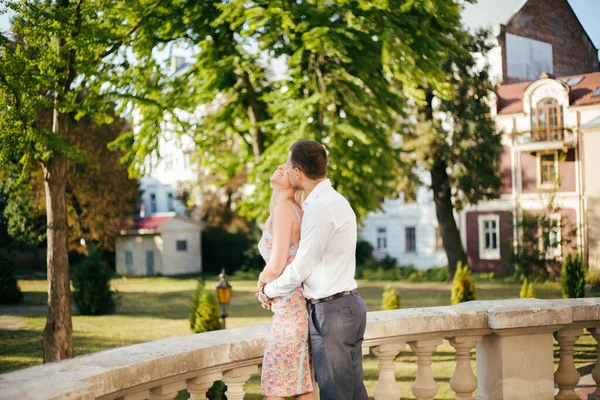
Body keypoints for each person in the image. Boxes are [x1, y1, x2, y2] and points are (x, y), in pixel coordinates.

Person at [259, 140, 368, 400]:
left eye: (287, 165)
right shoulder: (332, 201)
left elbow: (301, 267)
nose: (282, 169)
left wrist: (268, 290)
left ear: (297, 172)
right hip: (345, 305)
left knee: (336, 394)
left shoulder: (320, 208)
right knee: (353, 393)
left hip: (333, 311)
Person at [256, 163, 314, 400]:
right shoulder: (295, 209)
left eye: (288, 167)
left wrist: (260, 286)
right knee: (300, 385)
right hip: (295, 306)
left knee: (274, 387)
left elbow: (277, 263)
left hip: (289, 310)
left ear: (295, 177)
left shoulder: (284, 209)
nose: (281, 167)